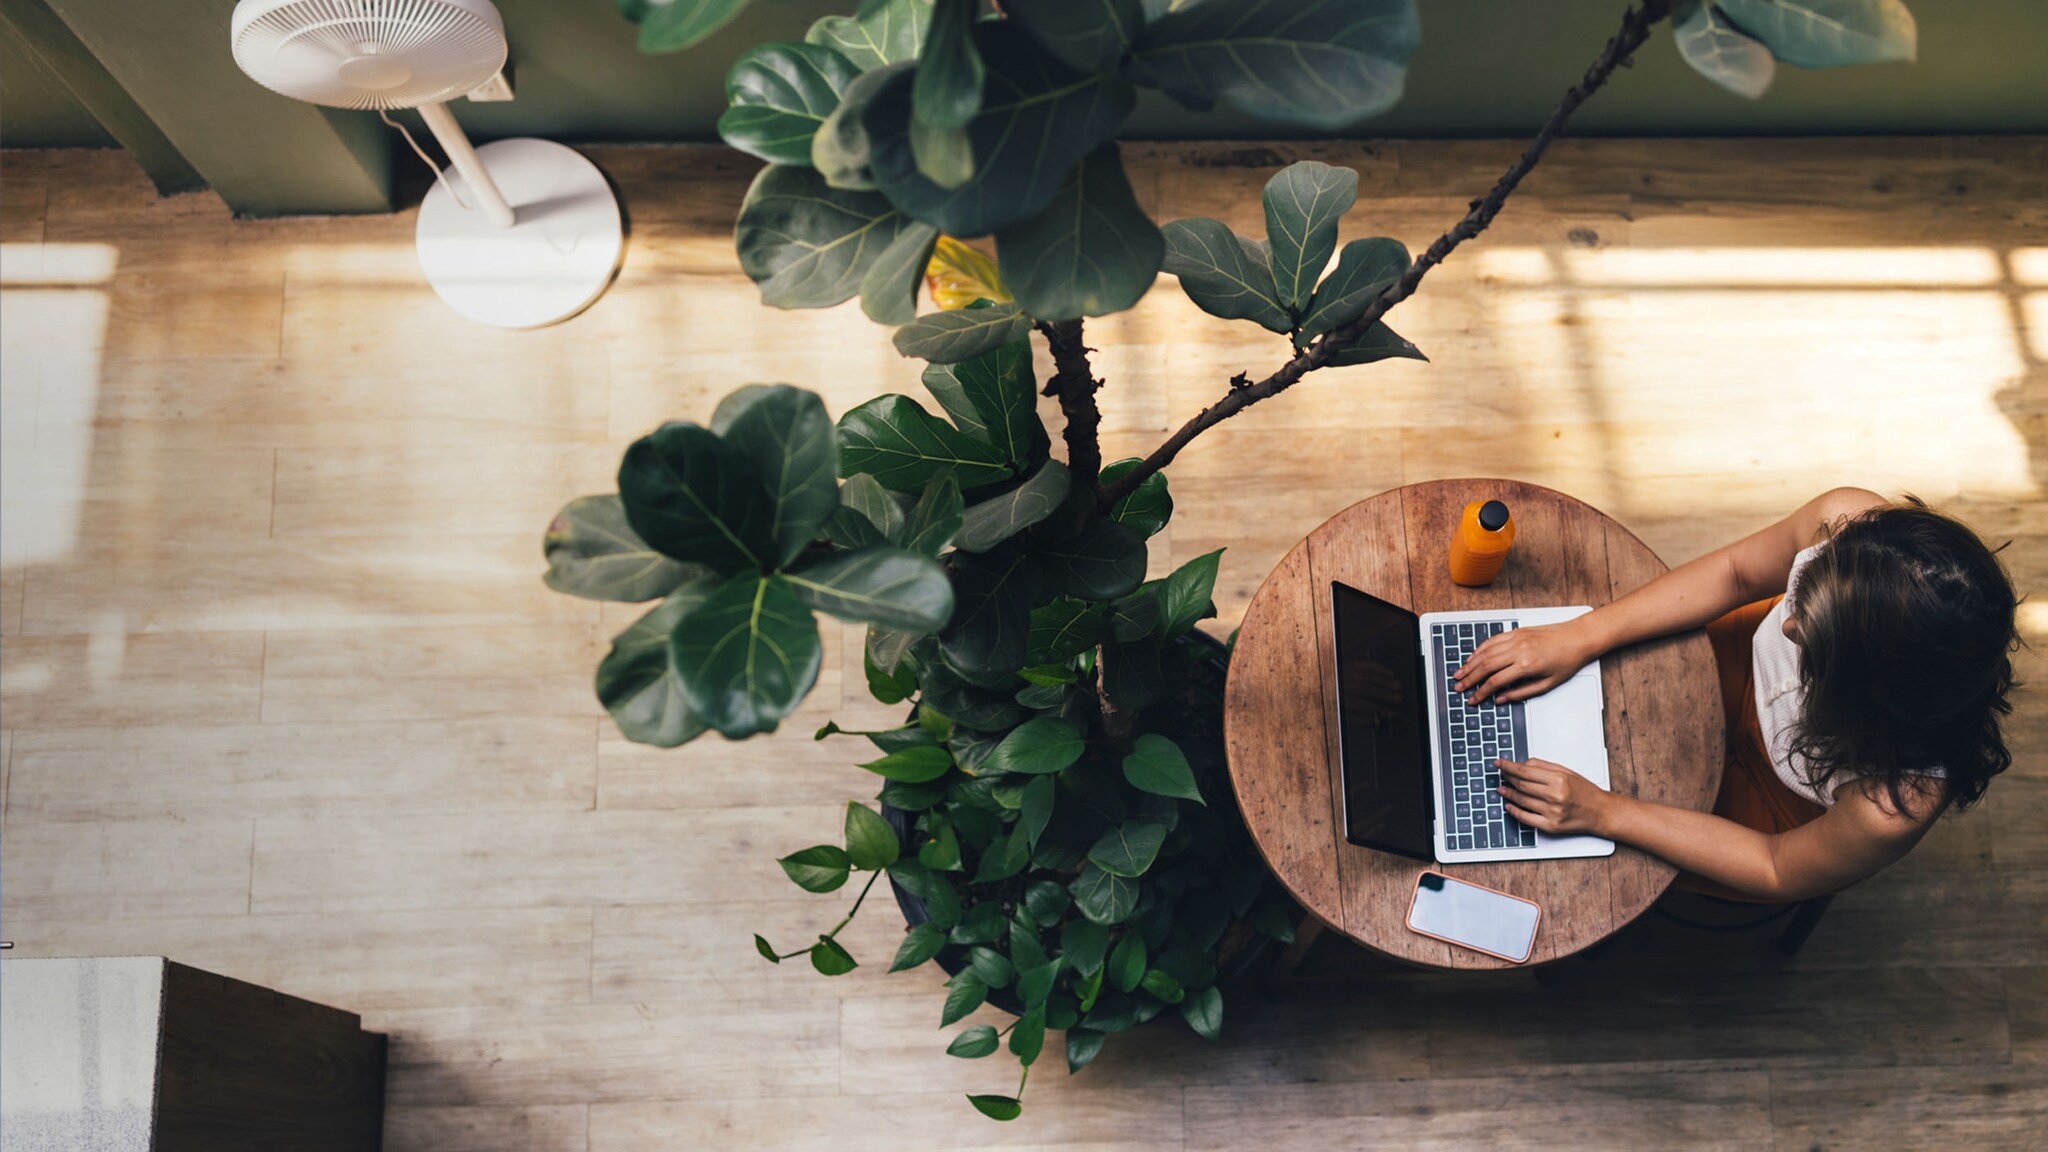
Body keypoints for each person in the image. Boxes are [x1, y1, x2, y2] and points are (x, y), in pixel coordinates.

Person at [1454, 488, 2019, 902]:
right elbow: (1736, 575)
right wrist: (1582, 634)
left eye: (1814, 641)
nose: (1789, 626)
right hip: (1734, 656)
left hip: (1779, 805)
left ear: (1868, 692)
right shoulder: (1846, 527)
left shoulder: (1895, 804)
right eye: (1801, 597)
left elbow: (1774, 866)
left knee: (1593, 869)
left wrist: (1603, 812)